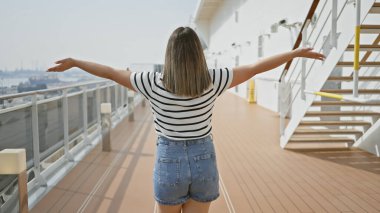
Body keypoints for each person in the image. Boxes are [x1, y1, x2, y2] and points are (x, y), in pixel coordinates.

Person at [48, 26, 325, 213]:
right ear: (197, 55)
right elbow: (254, 68)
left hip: (169, 158)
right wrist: (295, 53)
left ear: (169, 55)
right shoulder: (213, 80)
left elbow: (110, 72)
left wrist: (75, 61)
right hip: (204, 157)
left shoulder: (152, 83)